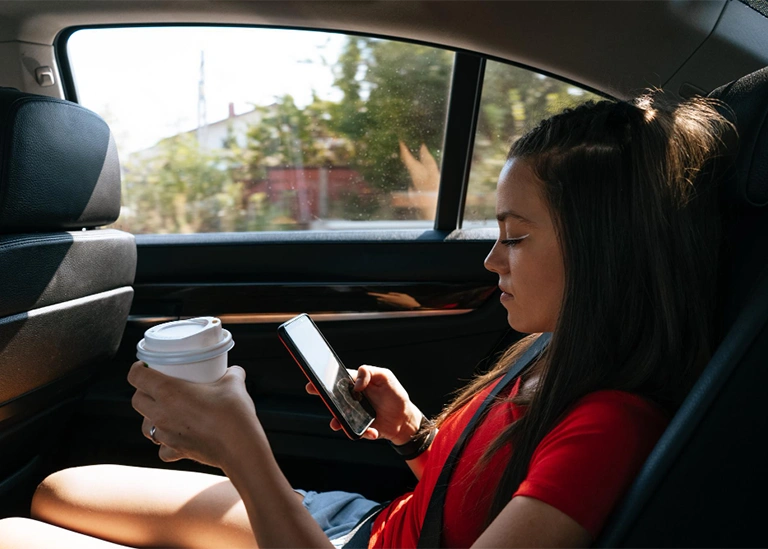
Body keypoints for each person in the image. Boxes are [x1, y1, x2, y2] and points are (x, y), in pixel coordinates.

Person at [0, 91, 735, 549]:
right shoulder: (549, 350)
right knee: (55, 490)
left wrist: (243, 451)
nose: (490, 262)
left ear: (603, 255)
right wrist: (412, 431)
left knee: (13, 534)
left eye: (514, 237)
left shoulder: (606, 430)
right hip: (365, 520)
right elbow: (469, 498)